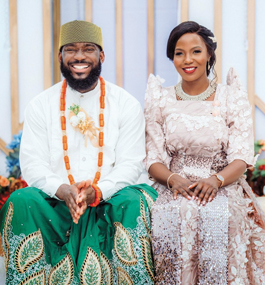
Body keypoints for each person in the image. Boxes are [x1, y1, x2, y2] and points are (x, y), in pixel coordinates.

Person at [0, 20, 157, 284]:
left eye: (88, 49)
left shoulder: (125, 104)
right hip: (55, 204)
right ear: (60, 56)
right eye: (71, 49)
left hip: (110, 202)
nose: (80, 56)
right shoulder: (41, 105)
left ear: (101, 55)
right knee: (22, 200)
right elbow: (32, 164)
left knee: (134, 202)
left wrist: (97, 191)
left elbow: (131, 164)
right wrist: (62, 189)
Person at [144, 21, 265, 284]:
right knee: (171, 214)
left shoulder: (231, 97)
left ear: (209, 54)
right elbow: (153, 158)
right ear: (172, 58)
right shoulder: (160, 99)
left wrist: (216, 180)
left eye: (196, 51)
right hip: (175, 185)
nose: (188, 59)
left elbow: (241, 156)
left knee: (220, 215)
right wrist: (172, 179)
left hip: (224, 183)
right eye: (179, 53)